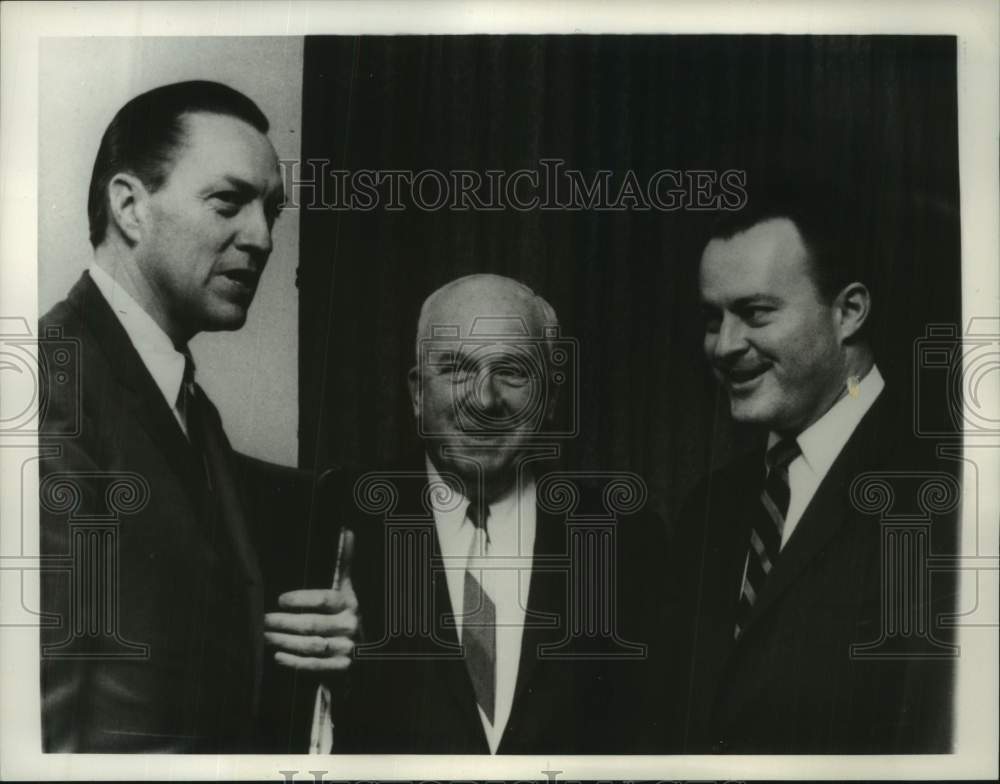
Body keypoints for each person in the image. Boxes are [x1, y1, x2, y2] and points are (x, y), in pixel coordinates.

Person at [38, 80, 356, 752]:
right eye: (228, 202)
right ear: (129, 205)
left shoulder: (188, 406)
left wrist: (312, 626)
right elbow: (42, 715)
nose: (263, 237)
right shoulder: (50, 385)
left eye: (272, 211)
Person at [261, 273, 668, 753]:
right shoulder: (334, 519)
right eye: (456, 369)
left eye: (513, 371)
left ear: (552, 397)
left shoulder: (625, 536)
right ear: (417, 394)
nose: (484, 398)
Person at [673, 188, 957, 753]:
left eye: (754, 313)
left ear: (848, 312)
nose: (725, 346)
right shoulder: (711, 507)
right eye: (712, 318)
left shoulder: (948, 493)